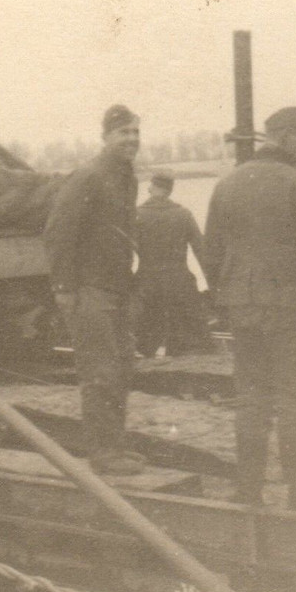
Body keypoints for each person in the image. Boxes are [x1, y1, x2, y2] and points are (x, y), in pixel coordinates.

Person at [205, 106, 296, 512]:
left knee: (251, 396)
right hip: (293, 308)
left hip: (242, 307)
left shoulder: (227, 184)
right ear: (287, 136)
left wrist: (228, 294)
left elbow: (211, 252)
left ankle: (248, 490)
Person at [43, 104, 143, 476]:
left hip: (116, 289)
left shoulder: (125, 177)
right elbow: (58, 232)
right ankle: (102, 453)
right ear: (105, 137)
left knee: (121, 367)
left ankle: (114, 445)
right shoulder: (90, 176)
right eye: (123, 133)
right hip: (90, 291)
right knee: (99, 371)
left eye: (135, 133)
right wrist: (65, 289)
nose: (131, 140)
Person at [134, 171, 212, 357]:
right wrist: (213, 283)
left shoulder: (137, 215)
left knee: (145, 337)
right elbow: (201, 252)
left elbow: (124, 253)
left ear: (151, 188)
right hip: (180, 281)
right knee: (188, 336)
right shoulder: (183, 214)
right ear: (170, 190)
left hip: (147, 281)